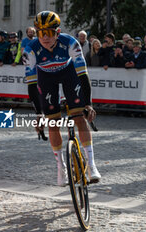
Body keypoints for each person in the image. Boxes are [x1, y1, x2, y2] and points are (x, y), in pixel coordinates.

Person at [23, 11, 101, 186]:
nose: (44, 37)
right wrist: (38, 113)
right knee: (53, 123)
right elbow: (31, 85)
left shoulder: (70, 43)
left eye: (49, 32)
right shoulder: (30, 50)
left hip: (69, 74)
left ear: (57, 33)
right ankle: (61, 167)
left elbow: (83, 76)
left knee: (79, 118)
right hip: (46, 77)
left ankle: (92, 165)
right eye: (40, 33)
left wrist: (88, 104)